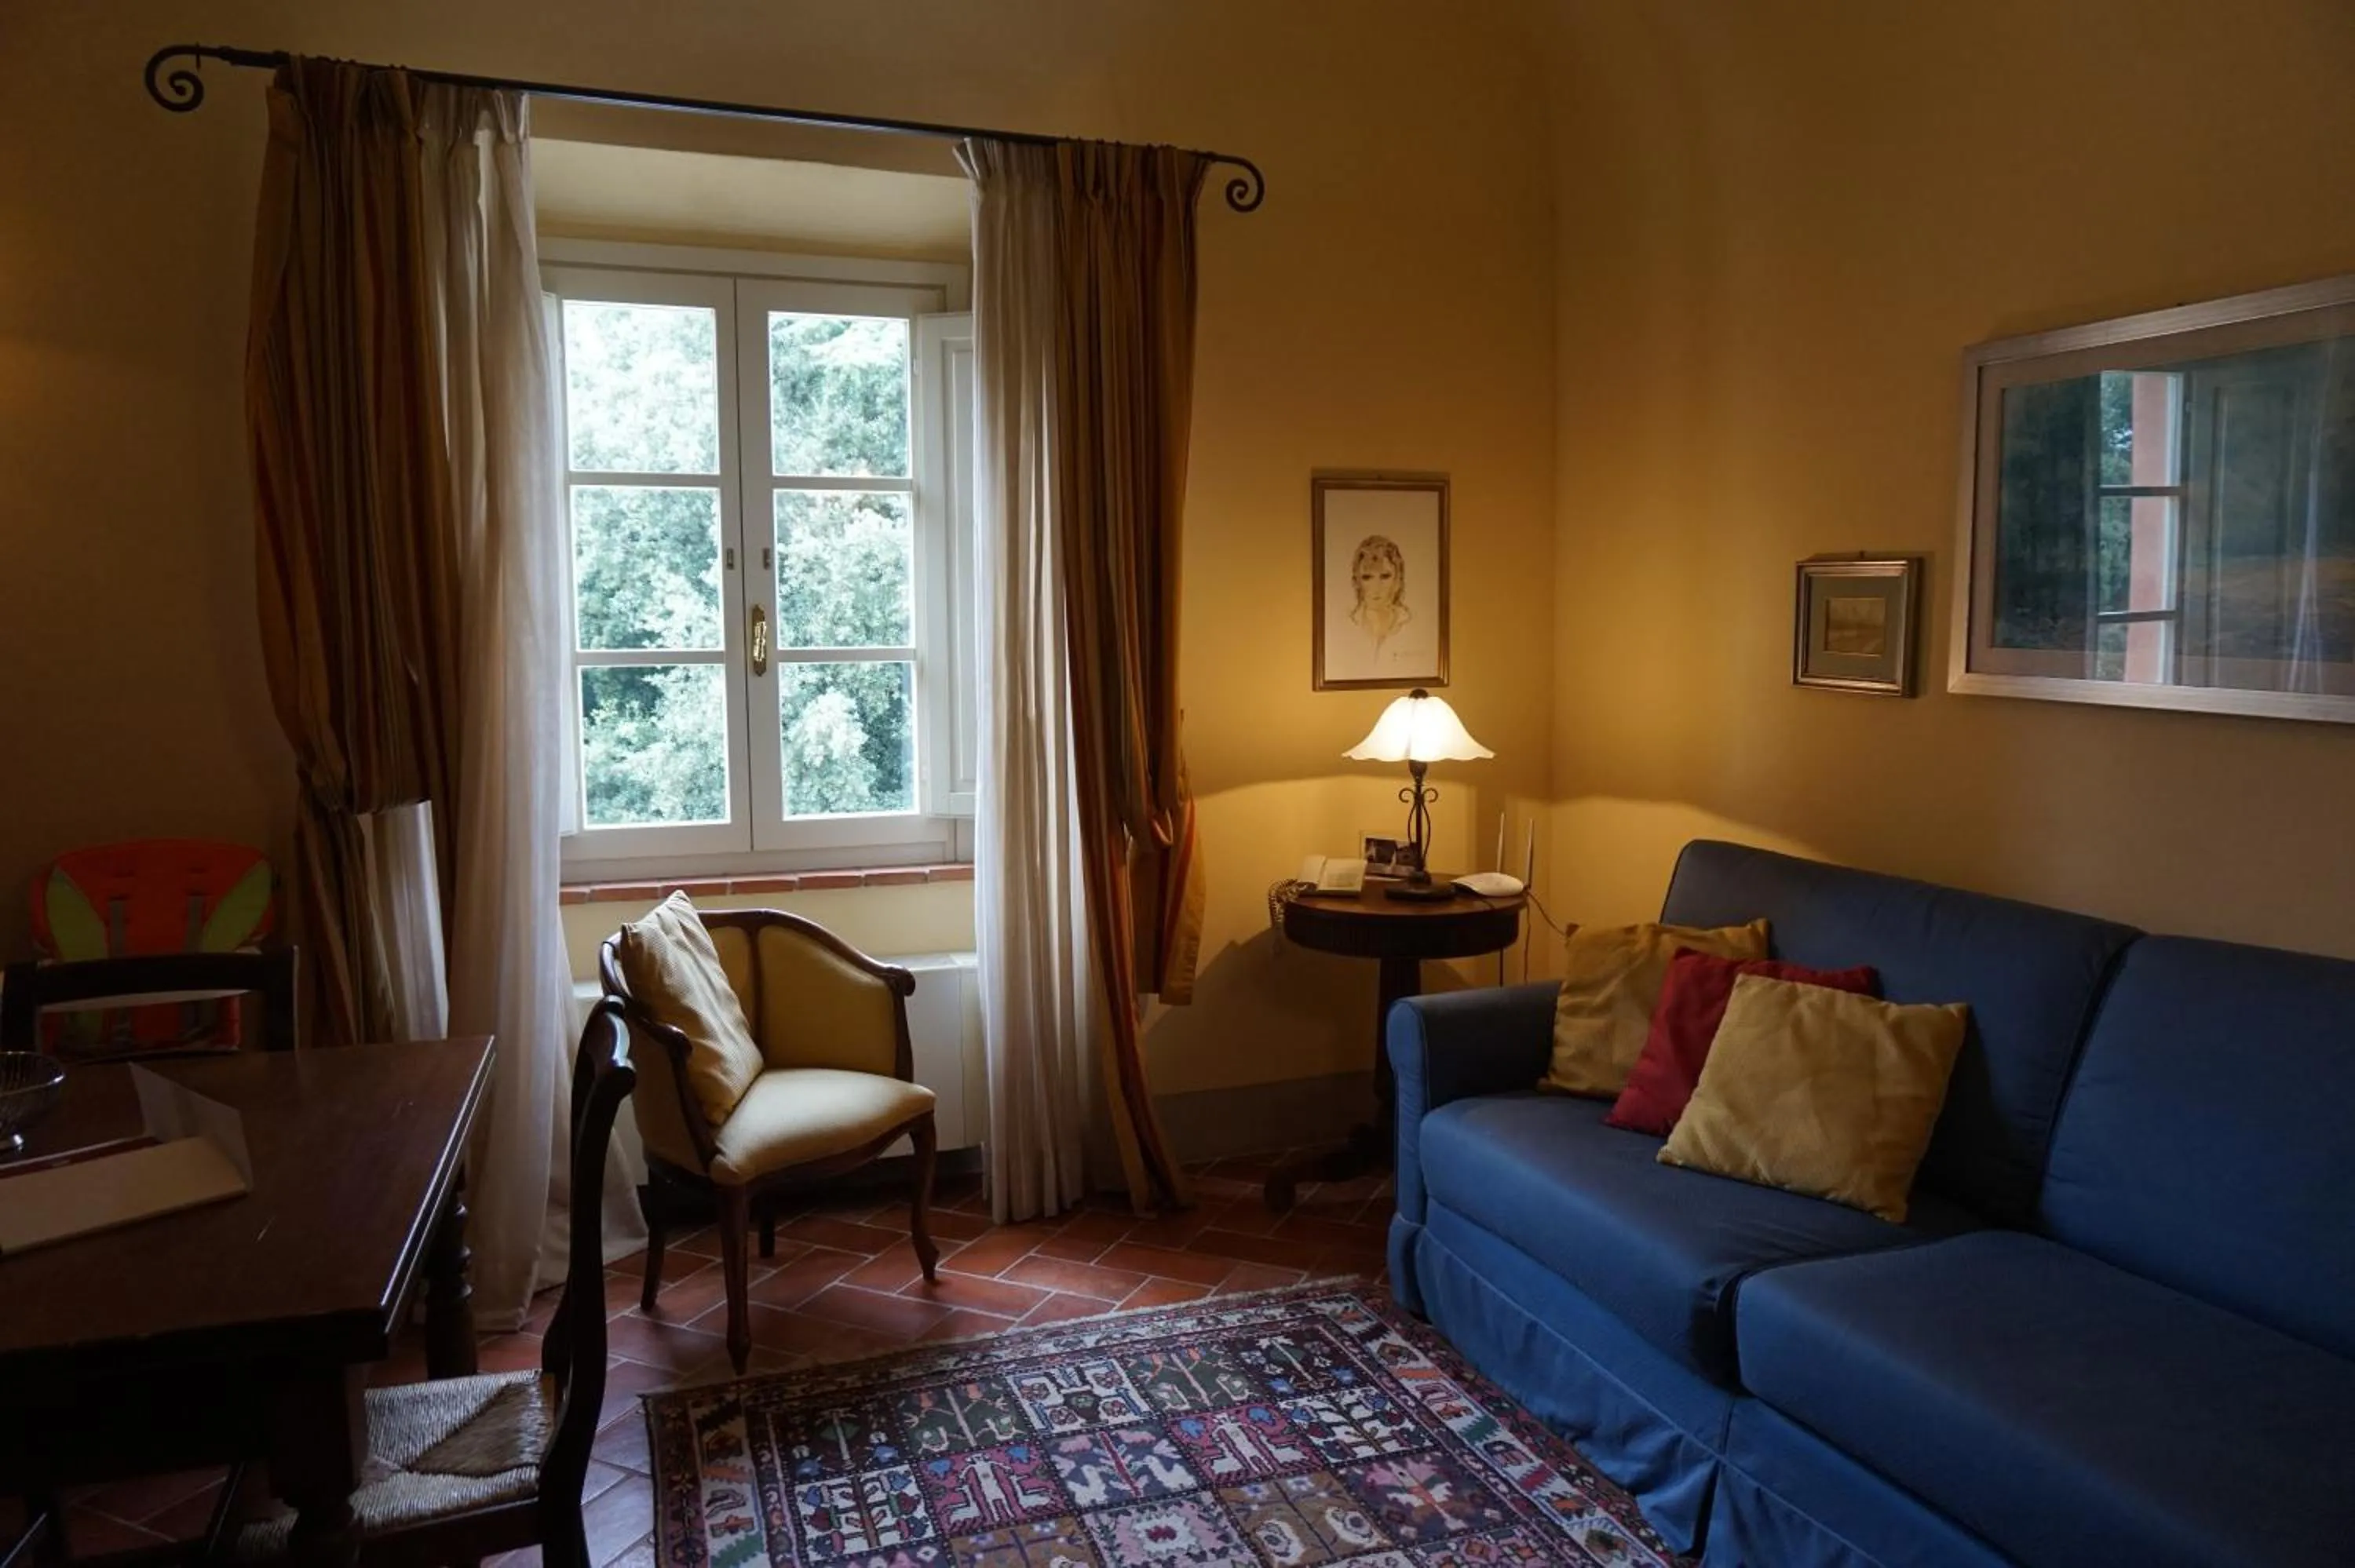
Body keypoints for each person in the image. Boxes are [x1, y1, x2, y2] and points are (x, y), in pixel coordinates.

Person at [1349, 534, 1412, 656]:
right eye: (1367, 577)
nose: (1376, 587)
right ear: (1356, 582)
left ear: (1398, 580)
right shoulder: (1346, 626)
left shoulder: (1412, 625)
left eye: (1385, 576)